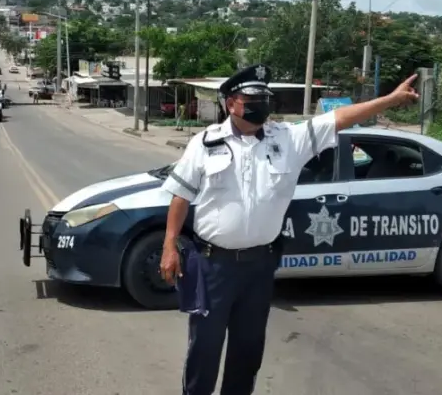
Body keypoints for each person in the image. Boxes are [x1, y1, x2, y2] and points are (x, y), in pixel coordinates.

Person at [159, 64, 419, 395]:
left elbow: (340, 118)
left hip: (259, 267)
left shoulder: (290, 139)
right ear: (231, 103)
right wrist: (169, 246)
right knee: (205, 348)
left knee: (248, 349)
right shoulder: (205, 142)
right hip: (214, 265)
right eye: (252, 98)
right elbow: (181, 196)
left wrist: (390, 100)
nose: (261, 105)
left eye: (265, 98)